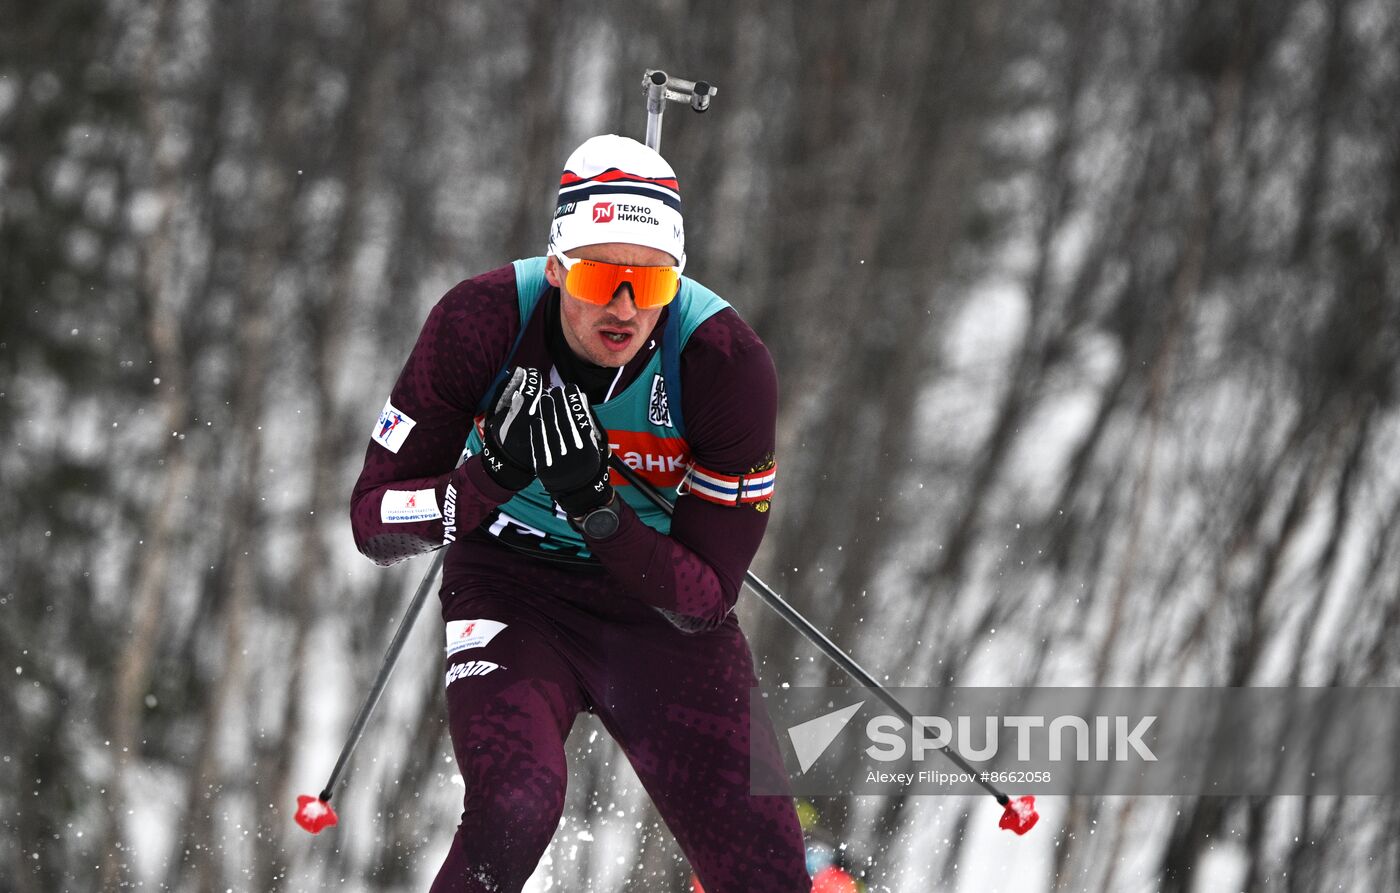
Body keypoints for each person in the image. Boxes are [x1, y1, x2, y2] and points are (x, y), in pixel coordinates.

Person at [350, 134, 809, 892]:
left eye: (651, 283)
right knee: (516, 805)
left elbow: (705, 599)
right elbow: (372, 520)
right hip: (510, 583)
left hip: (653, 609)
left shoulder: (724, 362)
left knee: (767, 872)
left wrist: (600, 510)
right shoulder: (482, 321)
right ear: (559, 266)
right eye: (601, 275)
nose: (625, 307)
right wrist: (487, 478)